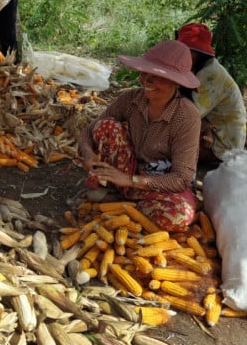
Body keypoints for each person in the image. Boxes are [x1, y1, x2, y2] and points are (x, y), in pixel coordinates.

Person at [78, 40, 201, 232]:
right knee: (106, 126)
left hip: (159, 183)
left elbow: (182, 178)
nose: (145, 81)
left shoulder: (186, 116)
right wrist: (88, 153)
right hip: (128, 169)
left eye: (155, 77)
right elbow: (89, 130)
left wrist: (132, 181)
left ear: (176, 82)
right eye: (144, 73)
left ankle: (119, 202)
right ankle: (121, 198)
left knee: (178, 214)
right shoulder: (130, 99)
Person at [176, 22, 247, 163]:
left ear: (197, 53)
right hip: (214, 132)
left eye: (186, 50)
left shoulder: (210, 74)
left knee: (163, 147)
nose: (181, 53)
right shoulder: (201, 68)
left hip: (224, 146)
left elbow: (186, 115)